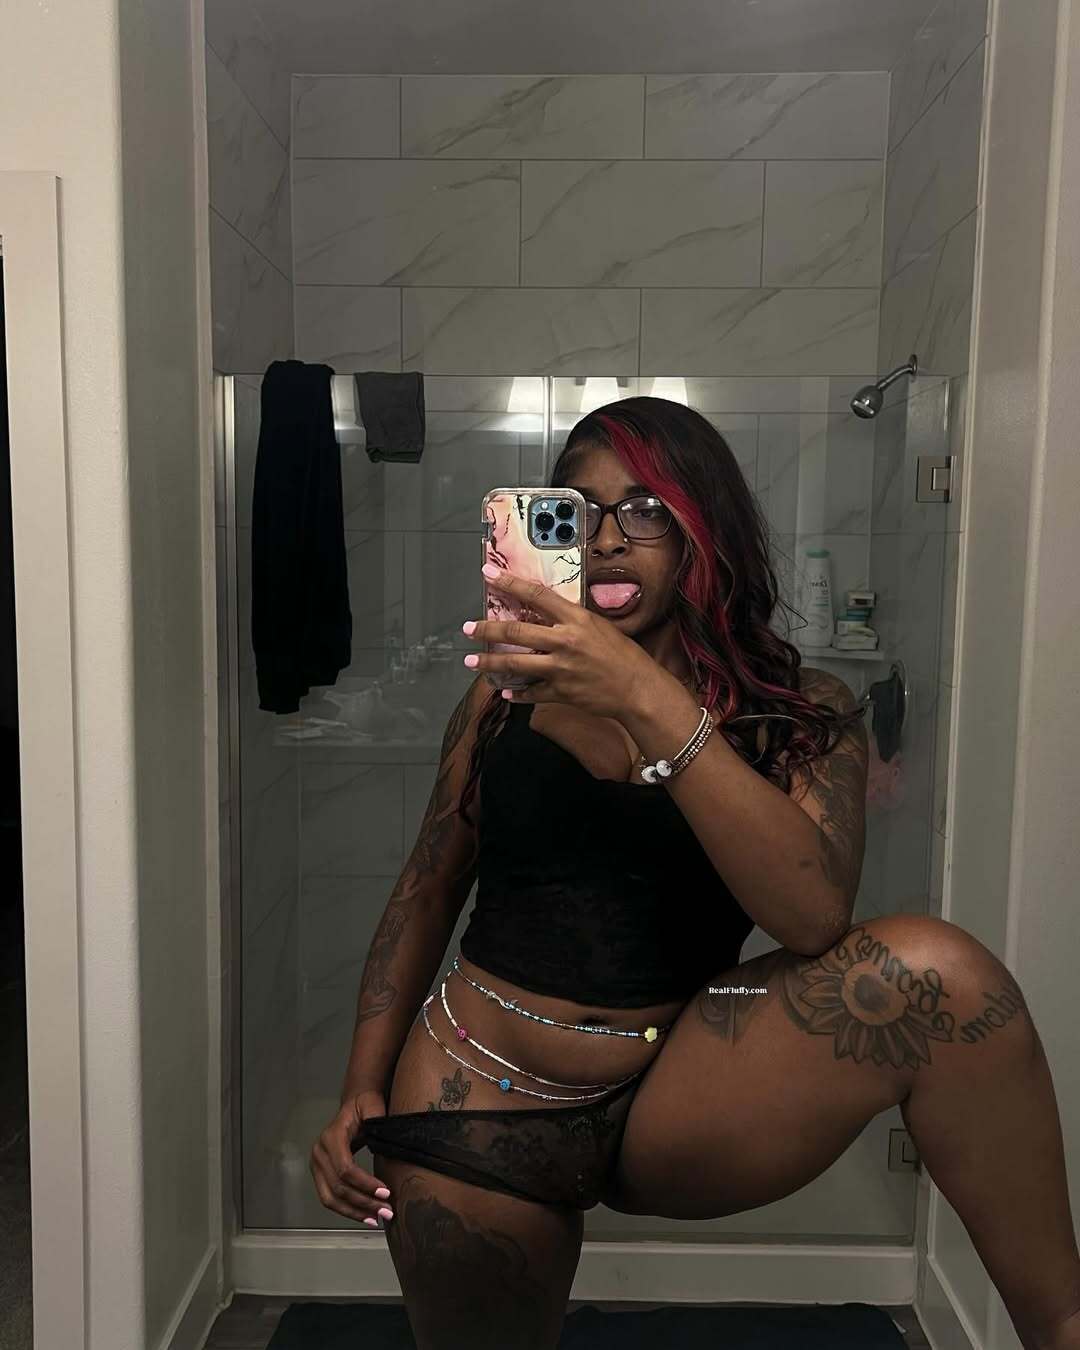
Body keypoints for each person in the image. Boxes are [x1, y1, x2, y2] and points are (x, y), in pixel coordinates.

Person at [310, 398, 1080, 1350]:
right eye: (580, 511)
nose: (607, 539)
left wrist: (645, 696)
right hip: (476, 1087)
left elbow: (811, 917)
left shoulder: (802, 712)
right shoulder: (501, 698)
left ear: (701, 531)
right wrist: (361, 1082)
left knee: (941, 976)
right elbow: (425, 889)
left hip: (679, 1087)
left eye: (645, 509)